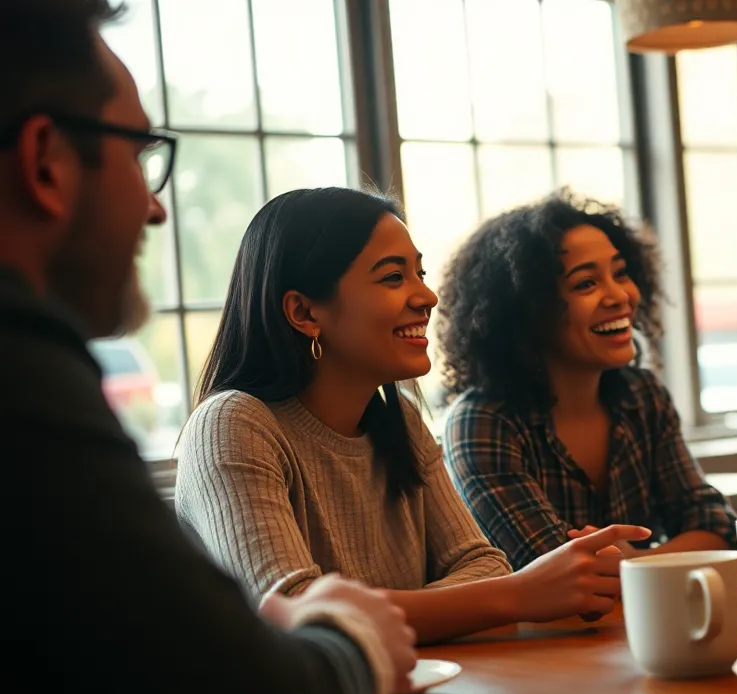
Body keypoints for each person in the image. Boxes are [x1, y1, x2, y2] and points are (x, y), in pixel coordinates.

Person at [1, 2, 417, 694]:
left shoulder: (399, 417)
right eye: (138, 156)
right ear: (45, 163)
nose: (155, 206)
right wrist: (348, 626)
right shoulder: (21, 378)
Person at [175, 187, 652, 642]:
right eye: (392, 277)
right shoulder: (232, 425)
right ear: (304, 312)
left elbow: (484, 566)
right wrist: (516, 596)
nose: (427, 297)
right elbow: (296, 614)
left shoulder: (398, 420)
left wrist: (457, 601)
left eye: (419, 274)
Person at [440, 190, 734, 570]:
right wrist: (664, 559)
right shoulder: (483, 423)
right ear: (528, 310)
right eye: (585, 284)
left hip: (643, 625)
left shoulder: (642, 397)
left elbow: (716, 526)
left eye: (621, 273)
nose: (620, 296)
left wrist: (636, 564)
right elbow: (563, 573)